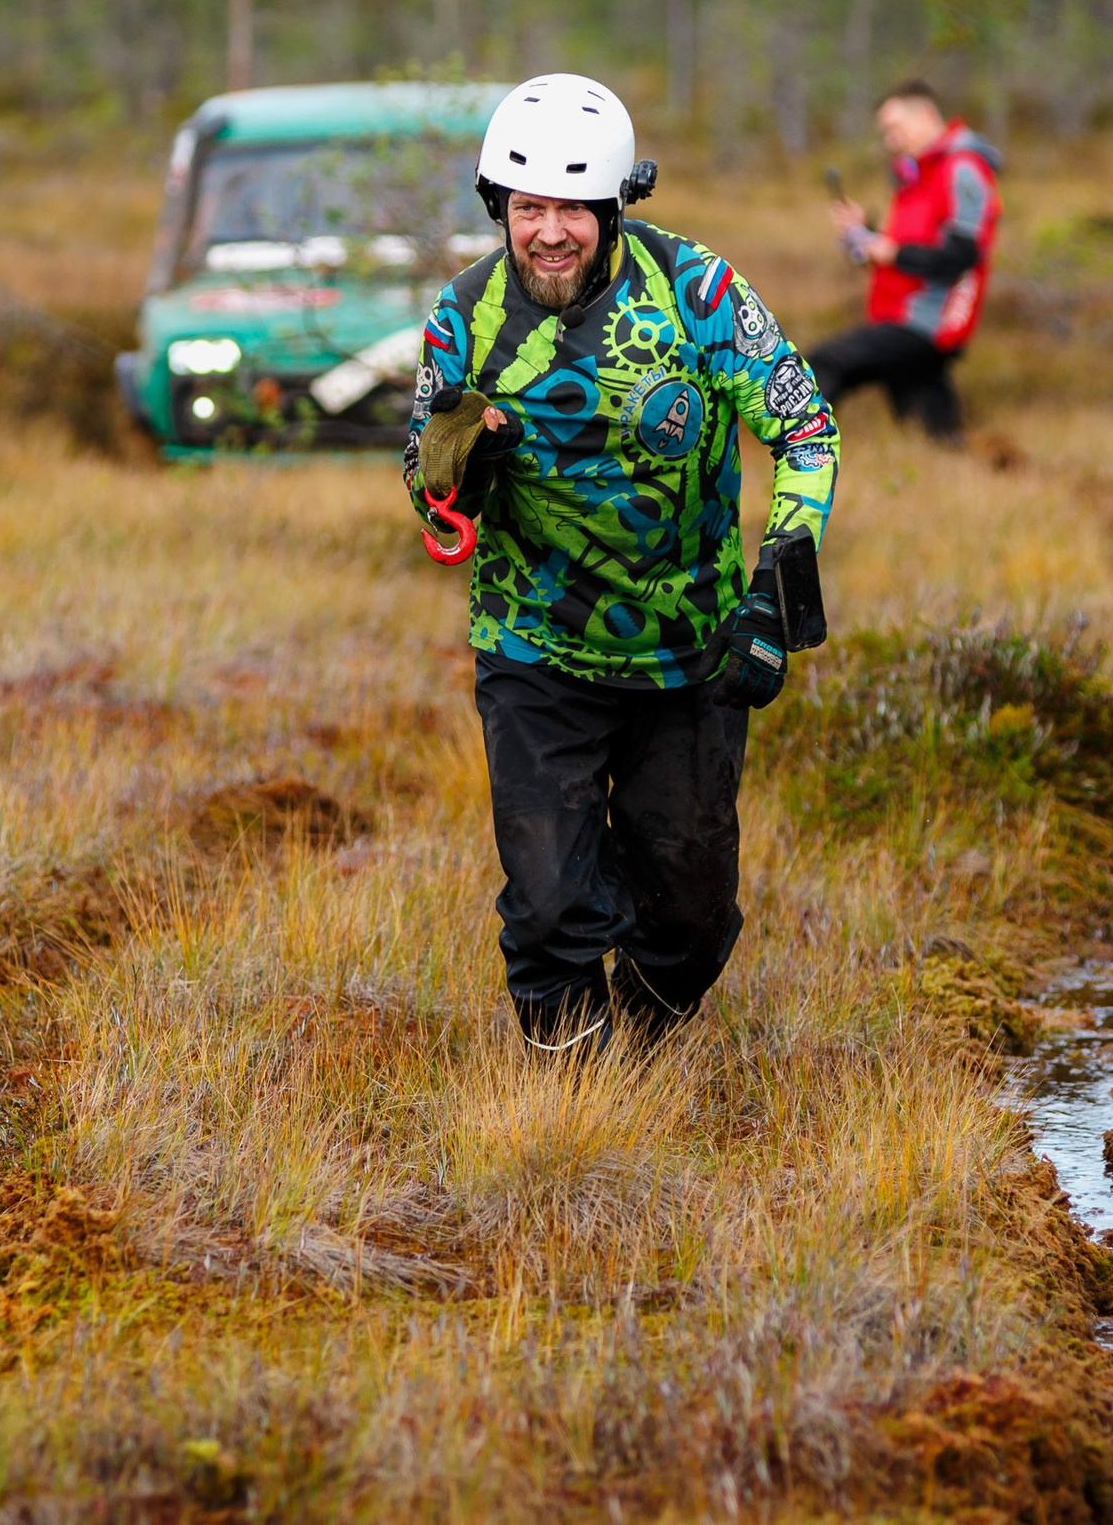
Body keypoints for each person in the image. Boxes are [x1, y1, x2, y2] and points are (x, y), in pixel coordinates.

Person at [403, 74, 840, 1057]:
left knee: (688, 923)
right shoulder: (463, 315)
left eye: (569, 209)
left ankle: (641, 1051)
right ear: (497, 209)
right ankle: (575, 1098)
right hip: (533, 647)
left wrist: (778, 590)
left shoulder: (700, 296)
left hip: (689, 652)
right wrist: (457, 468)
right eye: (526, 209)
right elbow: (427, 488)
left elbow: (806, 432)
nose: (547, 232)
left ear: (611, 206)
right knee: (551, 910)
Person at [816, 80, 1002, 442]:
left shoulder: (962, 169)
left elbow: (962, 255)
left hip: (926, 324)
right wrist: (864, 232)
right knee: (932, 435)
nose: (890, 140)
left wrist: (890, 251)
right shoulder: (915, 175)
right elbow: (907, 248)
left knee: (825, 365)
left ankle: (799, 456)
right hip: (897, 316)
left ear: (927, 116)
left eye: (894, 129)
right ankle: (986, 471)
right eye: (885, 132)